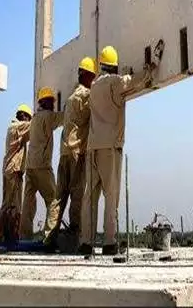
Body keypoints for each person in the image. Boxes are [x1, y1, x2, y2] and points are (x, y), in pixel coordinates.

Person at [79, 45, 156, 257]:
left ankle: (86, 242)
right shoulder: (115, 82)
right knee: (111, 196)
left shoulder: (93, 86)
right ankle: (109, 243)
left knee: (89, 197)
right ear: (114, 66)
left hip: (92, 147)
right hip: (109, 148)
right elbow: (133, 82)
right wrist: (150, 68)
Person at [46, 56, 97, 246]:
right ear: (89, 76)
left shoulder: (69, 98)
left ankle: (49, 237)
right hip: (76, 152)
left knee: (59, 197)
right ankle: (75, 236)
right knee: (77, 194)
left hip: (64, 153)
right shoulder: (85, 96)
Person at [19, 87, 64, 240]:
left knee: (28, 204)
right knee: (53, 200)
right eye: (51, 101)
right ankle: (49, 236)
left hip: (30, 166)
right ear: (46, 102)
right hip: (42, 166)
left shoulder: (35, 118)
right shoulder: (47, 116)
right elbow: (64, 117)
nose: (52, 104)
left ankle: (24, 236)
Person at [1, 104, 32, 216]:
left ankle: (1, 232)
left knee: (7, 204)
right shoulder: (18, 126)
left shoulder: (13, 127)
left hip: (9, 170)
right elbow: (35, 125)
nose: (28, 121)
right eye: (29, 118)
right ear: (23, 116)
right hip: (14, 170)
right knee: (15, 206)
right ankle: (9, 232)